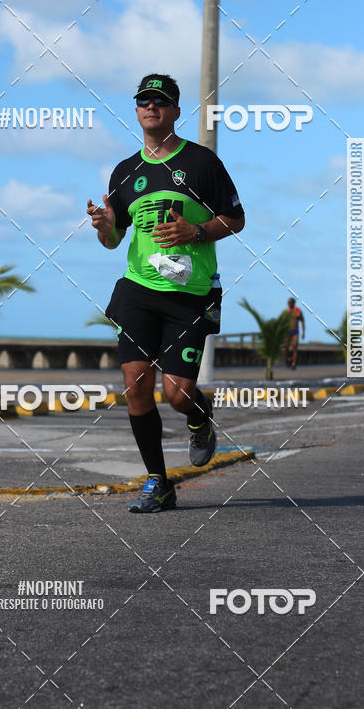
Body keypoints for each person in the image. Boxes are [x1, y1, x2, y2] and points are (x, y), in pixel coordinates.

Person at [87, 74, 245, 513]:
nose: (151, 106)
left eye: (160, 100)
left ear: (175, 110)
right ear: (137, 110)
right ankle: (158, 481)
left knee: (177, 394)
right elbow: (113, 240)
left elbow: (236, 219)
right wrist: (105, 227)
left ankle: (199, 415)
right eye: (144, 100)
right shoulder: (125, 172)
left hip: (189, 296)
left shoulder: (201, 162)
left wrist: (197, 231)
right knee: (136, 386)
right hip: (138, 290)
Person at [284, 297, 305, 370]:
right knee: (286, 347)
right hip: (287, 332)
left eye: (290, 302)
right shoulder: (286, 312)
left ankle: (293, 363)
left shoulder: (297, 310)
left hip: (295, 331)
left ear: (293, 303)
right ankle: (288, 359)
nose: (289, 304)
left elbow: (302, 320)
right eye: (288, 303)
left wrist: (303, 332)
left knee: (295, 347)